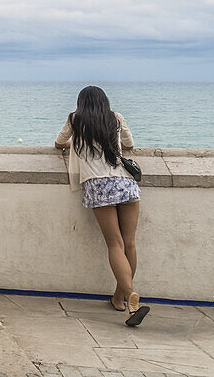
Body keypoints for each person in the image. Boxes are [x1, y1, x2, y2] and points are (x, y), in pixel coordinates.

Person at [55, 86, 149, 327]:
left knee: (115, 244)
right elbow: (129, 144)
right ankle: (120, 297)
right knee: (129, 243)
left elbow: (59, 143)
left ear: (81, 103)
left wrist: (76, 143)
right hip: (125, 183)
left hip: (99, 186)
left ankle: (129, 297)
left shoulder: (75, 119)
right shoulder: (115, 118)